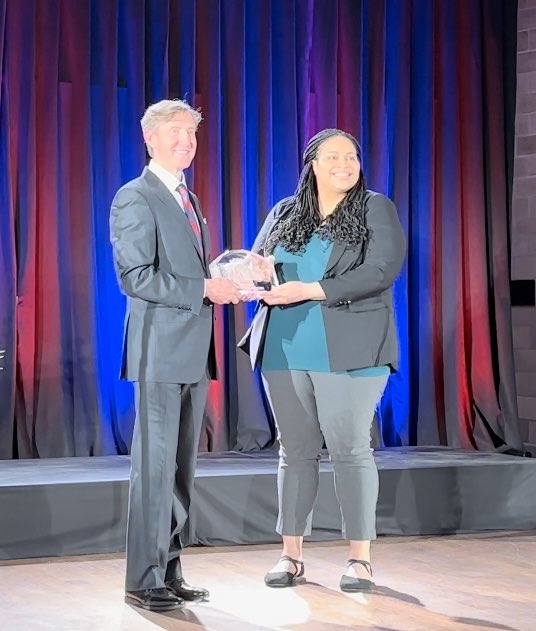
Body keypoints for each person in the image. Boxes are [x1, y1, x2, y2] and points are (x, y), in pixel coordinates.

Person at [239, 128, 406, 592]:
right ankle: (290, 556)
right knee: (294, 452)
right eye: (333, 156)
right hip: (284, 345)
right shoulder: (285, 212)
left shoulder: (375, 207)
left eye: (351, 156)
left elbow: (382, 269)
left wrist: (313, 289)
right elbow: (259, 262)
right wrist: (252, 272)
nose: (344, 164)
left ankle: (359, 559)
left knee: (351, 450)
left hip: (352, 348)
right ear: (311, 163)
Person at [110, 99, 242, 612]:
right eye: (176, 132)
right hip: (159, 355)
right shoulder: (135, 197)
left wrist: (228, 278)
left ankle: (169, 568)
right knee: (155, 470)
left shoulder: (189, 197)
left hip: (190, 354)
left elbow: (186, 275)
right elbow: (135, 277)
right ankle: (142, 578)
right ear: (150, 138)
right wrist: (205, 286)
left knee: (180, 471)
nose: (186, 141)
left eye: (191, 133)